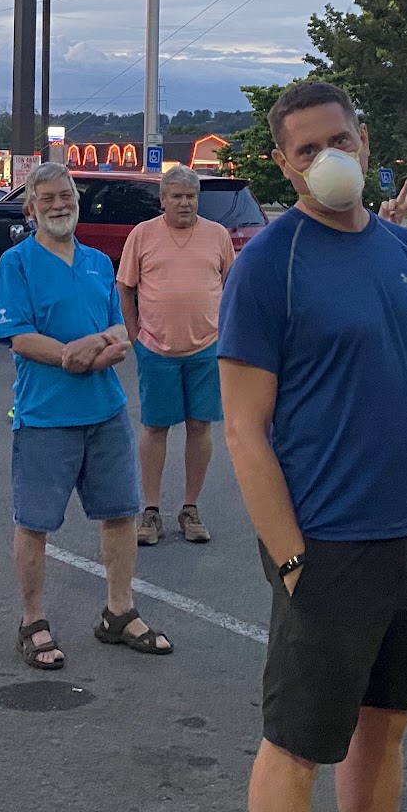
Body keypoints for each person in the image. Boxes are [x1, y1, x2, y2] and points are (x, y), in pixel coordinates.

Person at [218, 80, 407, 812]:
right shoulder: (269, 264)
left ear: (364, 142)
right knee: (299, 744)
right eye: (307, 150)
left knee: (386, 724)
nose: (328, 158)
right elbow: (244, 428)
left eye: (340, 140)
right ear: (283, 164)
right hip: (327, 544)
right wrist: (293, 561)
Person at [0, 161, 170, 673]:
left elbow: (120, 329)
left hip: (105, 411)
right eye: (47, 198)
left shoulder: (96, 262)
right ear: (30, 208)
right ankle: (32, 620)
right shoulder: (16, 263)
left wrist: (91, 349)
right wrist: (72, 354)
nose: (58, 204)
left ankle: (119, 611)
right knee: (35, 522)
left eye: (65, 195)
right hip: (45, 415)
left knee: (120, 513)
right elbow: (20, 337)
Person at [117, 164, 235, 549]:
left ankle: (190, 508)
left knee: (200, 426)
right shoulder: (143, 234)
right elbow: (125, 287)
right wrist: (135, 336)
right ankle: (150, 511)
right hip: (156, 348)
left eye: (191, 196)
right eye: (177, 196)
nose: (185, 203)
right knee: (155, 428)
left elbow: (232, 287)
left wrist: (227, 337)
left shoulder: (217, 235)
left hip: (207, 348)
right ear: (163, 199)